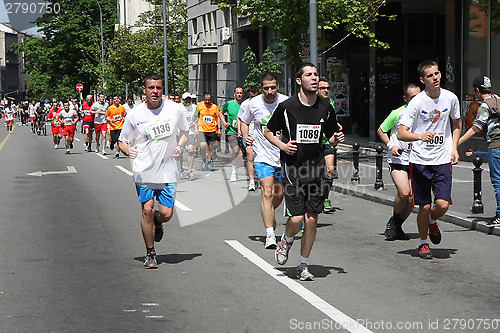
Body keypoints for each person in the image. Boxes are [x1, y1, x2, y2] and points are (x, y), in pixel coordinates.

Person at [264, 63, 344, 281]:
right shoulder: (287, 106)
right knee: (297, 218)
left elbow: (330, 137)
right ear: (299, 81)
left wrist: (336, 140)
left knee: (311, 220)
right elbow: (268, 131)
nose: (314, 78)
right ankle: (286, 240)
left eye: (316, 74)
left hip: (316, 170)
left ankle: (302, 265)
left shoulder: (326, 107)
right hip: (293, 169)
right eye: (309, 75)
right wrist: (282, 146)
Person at [118, 73, 189, 269]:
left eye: (158, 88)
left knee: (166, 214)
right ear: (145, 90)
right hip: (144, 170)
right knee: (147, 210)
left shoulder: (175, 109)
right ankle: (150, 253)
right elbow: (122, 140)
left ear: (162, 89)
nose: (155, 91)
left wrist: (180, 145)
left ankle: (158, 224)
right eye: (151, 88)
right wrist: (128, 151)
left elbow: (185, 132)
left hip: (168, 170)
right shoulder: (135, 113)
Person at [397, 60, 461, 260]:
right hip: (420, 160)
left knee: (442, 205)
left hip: (442, 159)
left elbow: (457, 123)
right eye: (430, 75)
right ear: (423, 80)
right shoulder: (417, 102)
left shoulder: (450, 98)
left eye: (437, 74)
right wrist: (420, 136)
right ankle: (423, 244)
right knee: (423, 206)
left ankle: (433, 221)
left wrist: (454, 148)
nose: (435, 78)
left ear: (440, 74)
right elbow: (401, 133)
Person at [239, 72, 288, 249]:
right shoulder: (253, 103)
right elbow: (243, 120)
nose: (269, 91)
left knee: (279, 195)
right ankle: (270, 235)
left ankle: (269, 212)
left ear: (277, 87)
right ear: (261, 88)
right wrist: (246, 136)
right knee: (267, 192)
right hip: (262, 155)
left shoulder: (285, 102)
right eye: (266, 88)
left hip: (282, 154)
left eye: (273, 87)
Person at [377, 83, 421, 240]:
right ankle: (393, 222)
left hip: (416, 159)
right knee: (404, 193)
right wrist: (391, 145)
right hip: (398, 159)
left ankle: (397, 225)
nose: (417, 100)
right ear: (406, 98)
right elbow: (381, 130)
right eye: (413, 97)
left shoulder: (424, 113)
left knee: (412, 200)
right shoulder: (398, 113)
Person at [458, 76, 500, 227]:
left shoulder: (484, 106)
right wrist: (477, 154)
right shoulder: (498, 99)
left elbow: (476, 127)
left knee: (498, 181)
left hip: (496, 145)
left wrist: (458, 142)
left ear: (476, 90)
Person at [317, 78, 339, 212]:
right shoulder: (313, 103)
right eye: (322, 88)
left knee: (330, 170)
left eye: (328, 88)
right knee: (315, 173)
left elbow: (333, 120)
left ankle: (325, 199)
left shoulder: (330, 102)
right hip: (315, 143)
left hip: (327, 142)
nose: (326, 90)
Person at [196, 93, 227, 171]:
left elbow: (219, 117)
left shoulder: (214, 107)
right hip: (202, 129)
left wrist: (219, 128)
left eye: (209, 100)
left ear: (211, 100)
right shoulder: (199, 106)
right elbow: (196, 116)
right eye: (206, 100)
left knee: (210, 147)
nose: (207, 102)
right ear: (203, 100)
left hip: (212, 130)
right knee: (203, 146)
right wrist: (196, 127)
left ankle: (209, 163)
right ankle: (203, 161)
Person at [238, 85, 260, 191]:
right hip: (249, 135)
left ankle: (261, 179)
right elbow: (240, 118)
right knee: (250, 157)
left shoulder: (262, 103)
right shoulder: (245, 104)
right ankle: (251, 181)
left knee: (260, 159)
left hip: (261, 136)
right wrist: (240, 131)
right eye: (252, 96)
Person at [222, 86, 244, 182]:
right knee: (236, 150)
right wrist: (224, 122)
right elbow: (220, 112)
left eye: (240, 93)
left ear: (243, 94)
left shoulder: (245, 105)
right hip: (231, 132)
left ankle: (236, 170)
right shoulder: (229, 104)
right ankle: (233, 173)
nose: (239, 94)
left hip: (243, 133)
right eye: (237, 93)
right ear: (234, 94)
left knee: (241, 154)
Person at [181, 92, 197, 180]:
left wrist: (195, 124)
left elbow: (198, 116)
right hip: (180, 132)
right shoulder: (179, 108)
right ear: (182, 100)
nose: (188, 101)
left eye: (189, 99)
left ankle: (190, 171)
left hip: (190, 132)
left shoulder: (194, 107)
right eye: (186, 99)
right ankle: (180, 170)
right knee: (180, 152)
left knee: (191, 150)